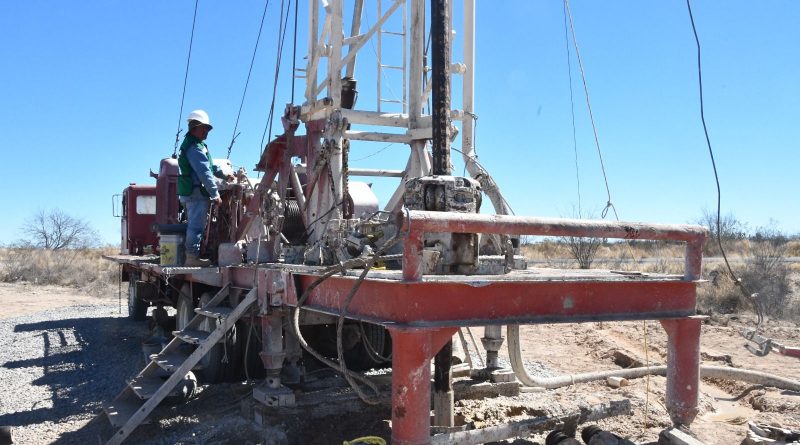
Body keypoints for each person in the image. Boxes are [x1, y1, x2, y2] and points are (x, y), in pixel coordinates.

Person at [177, 109, 233, 266]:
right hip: (196, 194)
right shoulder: (194, 148)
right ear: (195, 127)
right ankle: (192, 258)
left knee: (194, 226)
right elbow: (204, 173)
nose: (207, 132)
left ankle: (192, 256)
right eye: (204, 128)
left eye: (208, 129)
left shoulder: (196, 145)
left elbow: (209, 167)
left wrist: (224, 174)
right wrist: (215, 194)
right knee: (196, 227)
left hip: (192, 192)